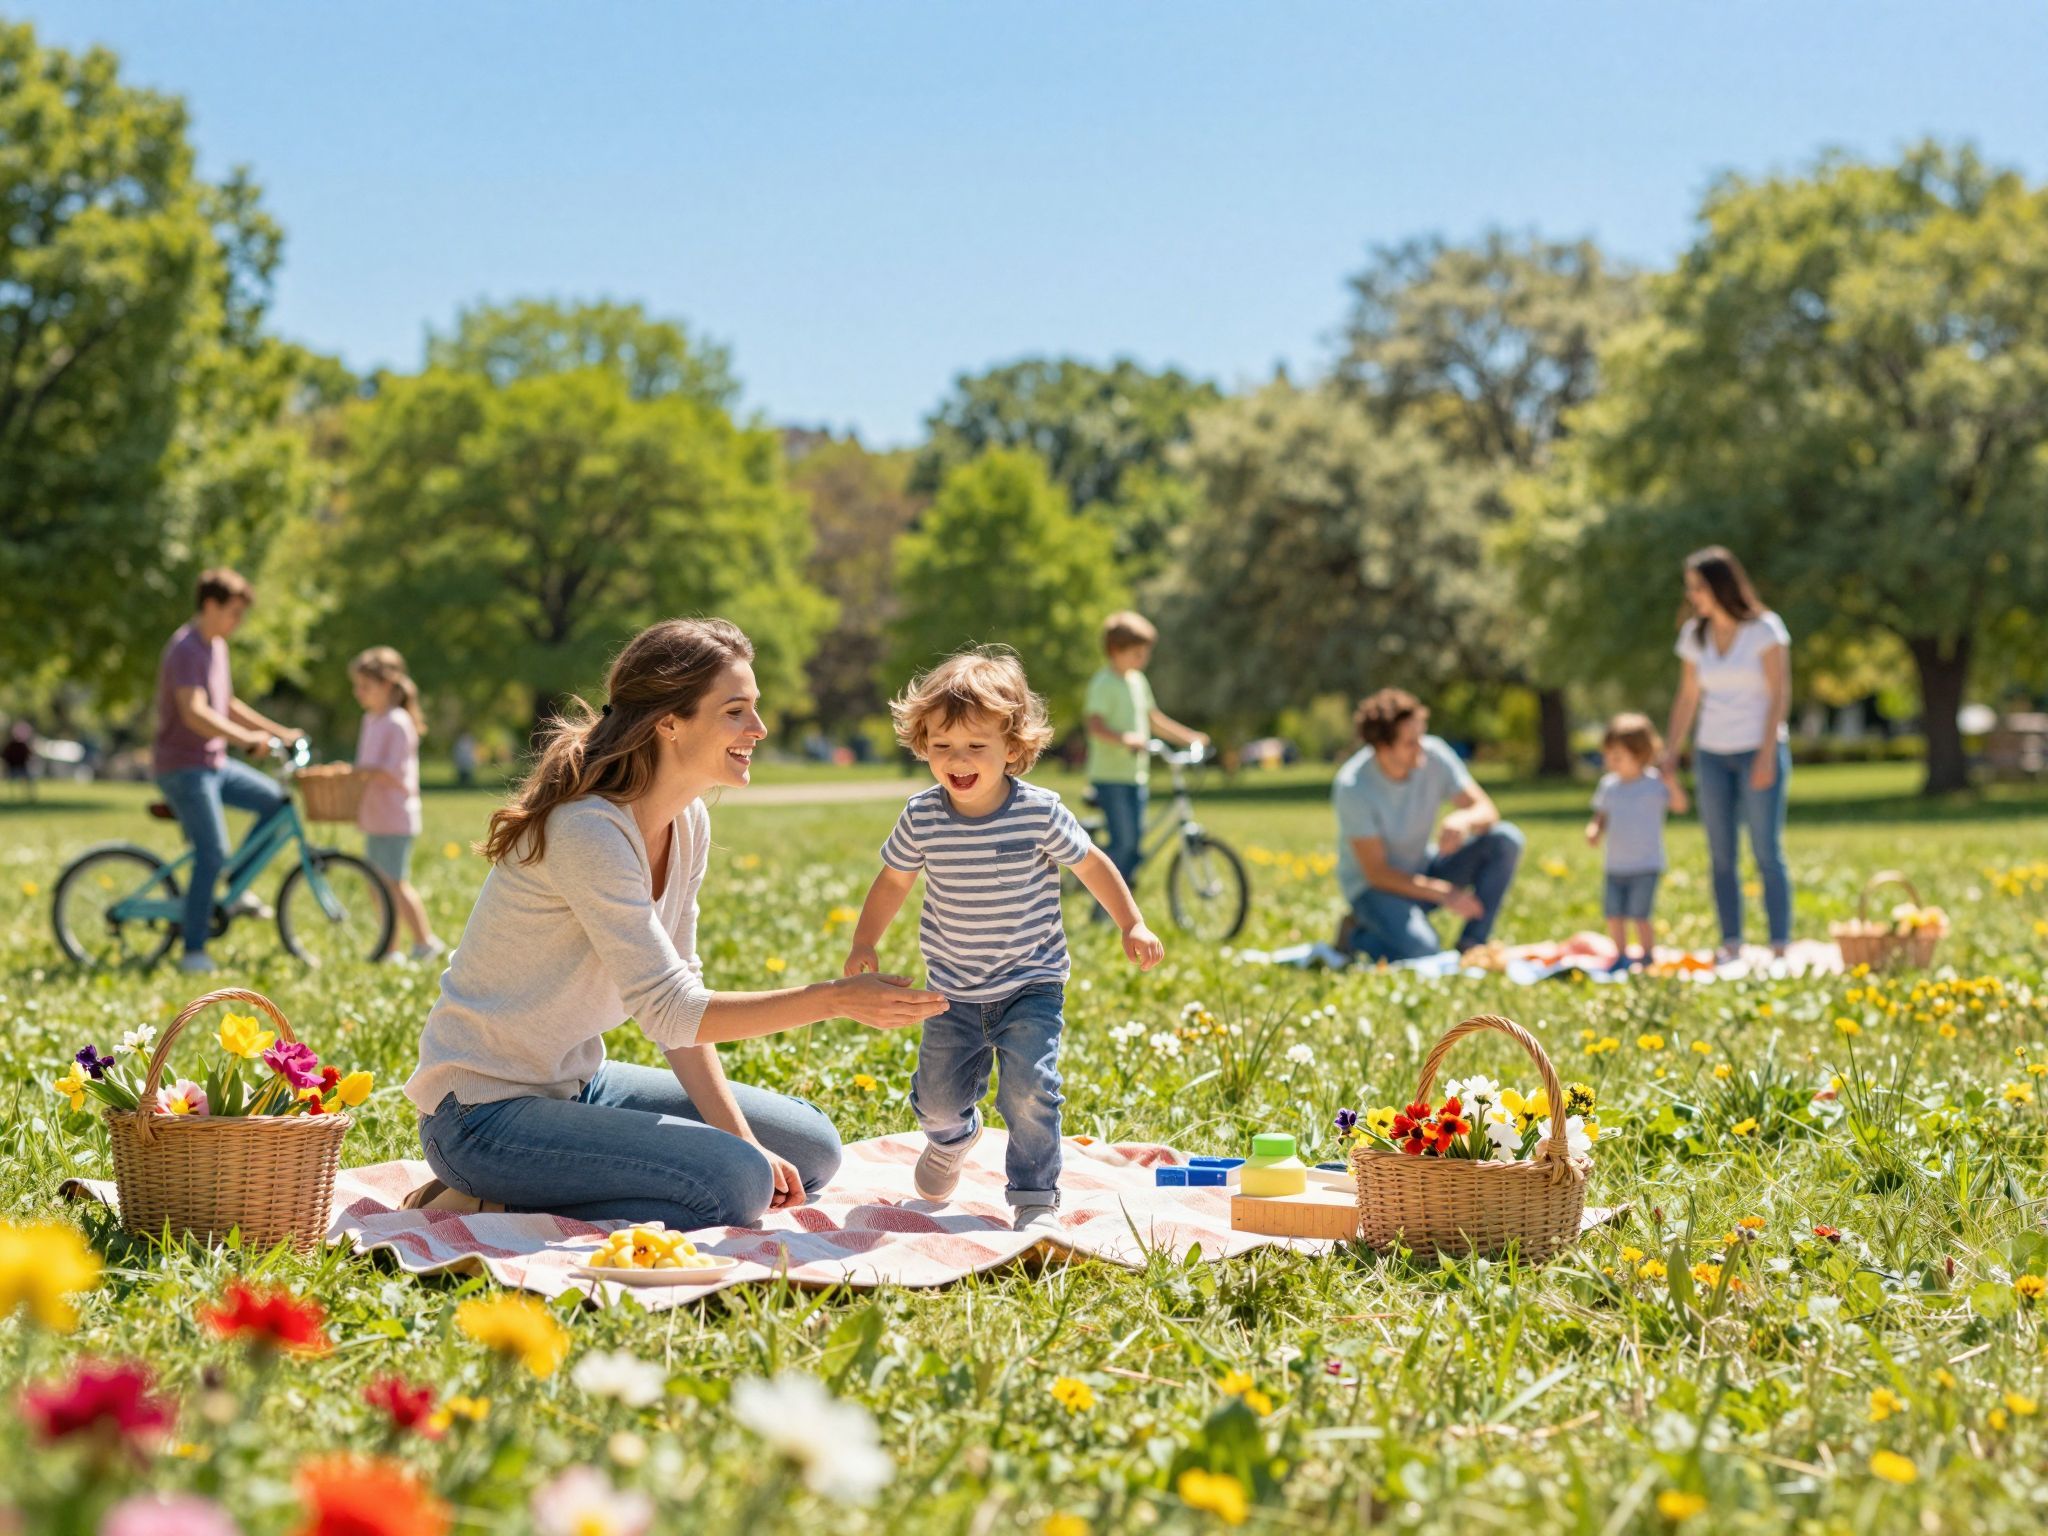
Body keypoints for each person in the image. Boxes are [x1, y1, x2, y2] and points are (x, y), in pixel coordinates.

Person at [403, 618, 949, 1228]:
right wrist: (833, 1000)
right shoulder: (588, 829)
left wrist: (744, 1140)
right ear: (669, 721)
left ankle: (600, 1172)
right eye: (736, 711)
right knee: (734, 1188)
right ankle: (486, 1199)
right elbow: (671, 1009)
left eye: (755, 709)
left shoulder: (687, 823)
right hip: (481, 1115)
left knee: (809, 1146)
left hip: (577, 1083)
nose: (758, 730)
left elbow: (678, 1007)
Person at [843, 647, 1163, 1232]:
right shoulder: (923, 816)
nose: (956, 760)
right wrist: (866, 940)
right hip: (953, 989)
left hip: (1030, 984)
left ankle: (1035, 1196)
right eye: (942, 747)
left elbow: (1091, 864)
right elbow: (893, 880)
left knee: (1031, 1090)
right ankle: (950, 1141)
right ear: (923, 746)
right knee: (937, 1099)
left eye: (975, 747)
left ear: (1012, 749)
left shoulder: (1039, 813)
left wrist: (1131, 921)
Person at [151, 568, 305, 974]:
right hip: (183, 767)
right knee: (212, 852)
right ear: (209, 605)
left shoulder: (215, 646)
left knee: (275, 802)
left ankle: (234, 887)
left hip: (213, 764)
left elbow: (227, 703)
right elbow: (195, 711)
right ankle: (193, 950)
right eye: (233, 612)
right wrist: (244, 740)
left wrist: (276, 732)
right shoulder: (186, 648)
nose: (238, 621)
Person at [1660, 546, 1793, 962]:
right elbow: (1687, 698)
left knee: (1765, 850)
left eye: (1698, 587)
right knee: (1721, 853)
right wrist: (1669, 752)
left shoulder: (1765, 629)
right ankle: (1732, 942)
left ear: (1720, 585)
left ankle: (1778, 945)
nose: (1693, 596)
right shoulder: (1694, 636)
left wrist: (1768, 755)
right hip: (1712, 755)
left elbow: (1780, 694)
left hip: (1758, 750)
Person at [1333, 688, 1525, 961]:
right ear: (1383, 748)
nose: (1422, 747)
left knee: (1506, 839)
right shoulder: (1354, 786)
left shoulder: (1434, 754)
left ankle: (1472, 945)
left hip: (1423, 867)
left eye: (1421, 735)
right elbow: (1377, 873)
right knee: (1422, 951)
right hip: (1374, 890)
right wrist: (1444, 893)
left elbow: (1487, 810)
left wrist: (1464, 818)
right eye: (1410, 742)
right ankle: (1355, 934)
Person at [1082, 612, 1208, 893]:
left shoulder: (1138, 681)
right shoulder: (1103, 683)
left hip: (1136, 775)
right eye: (1137, 653)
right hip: (1110, 775)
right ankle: (1102, 907)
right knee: (1124, 843)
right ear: (1116, 651)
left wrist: (1189, 737)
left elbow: (1154, 719)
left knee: (1133, 842)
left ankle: (1121, 892)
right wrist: (1124, 738)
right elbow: (1094, 726)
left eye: (1145, 653)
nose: (1143, 659)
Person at [349, 646, 445, 965]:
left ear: (388, 684)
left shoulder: (397, 721)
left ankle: (420, 943)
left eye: (366, 686)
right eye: (357, 686)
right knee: (377, 885)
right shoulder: (371, 720)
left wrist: (361, 772)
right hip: (376, 816)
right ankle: (394, 945)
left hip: (395, 816)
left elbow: (394, 772)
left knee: (394, 883)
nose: (358, 693)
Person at [1585, 713, 1685, 969]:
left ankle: (1647, 954)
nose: (1610, 762)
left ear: (1640, 754)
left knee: (1640, 915)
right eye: (1608, 755)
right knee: (1614, 914)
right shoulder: (1609, 785)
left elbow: (1680, 806)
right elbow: (1602, 815)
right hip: (1615, 864)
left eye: (1617, 757)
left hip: (1645, 865)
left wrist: (1672, 783)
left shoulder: (1654, 784)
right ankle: (1620, 955)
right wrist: (1595, 829)